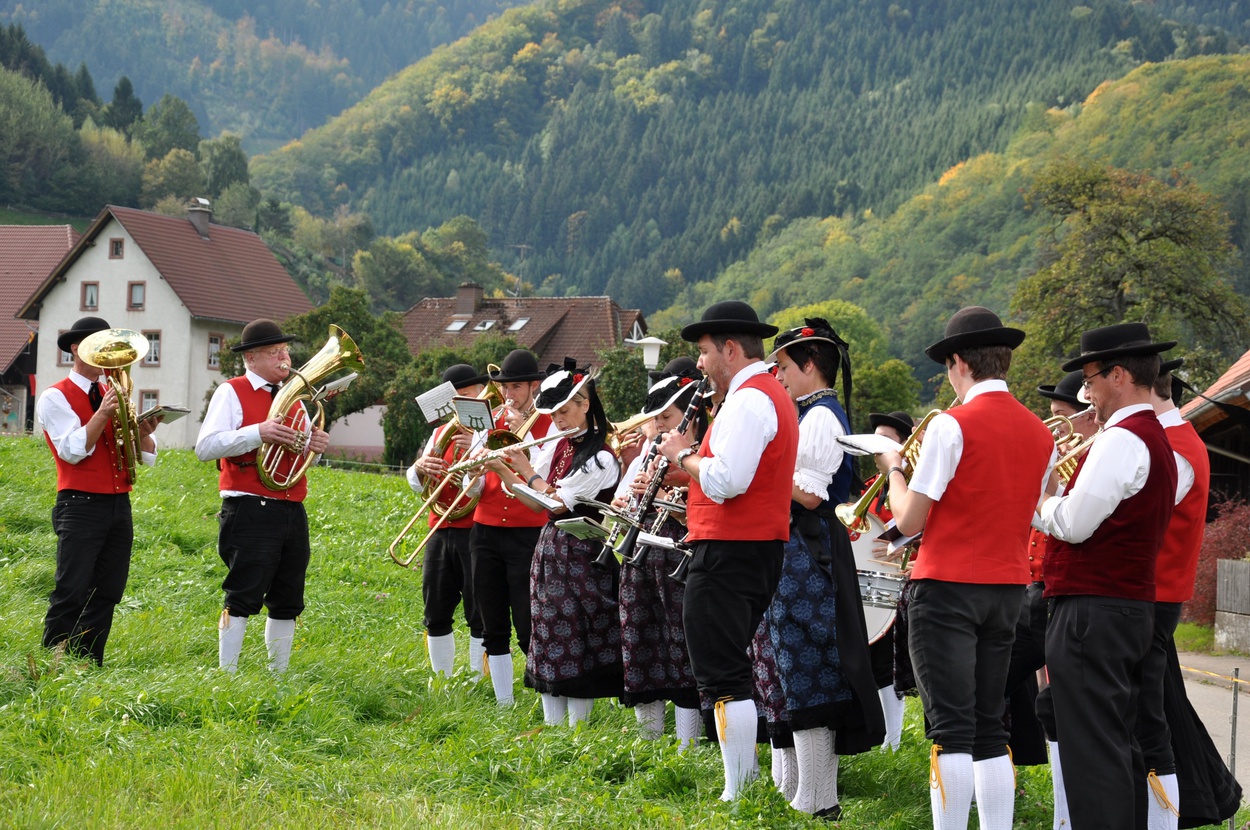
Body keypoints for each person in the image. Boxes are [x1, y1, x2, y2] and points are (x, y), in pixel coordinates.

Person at [874, 306, 1054, 830]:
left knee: (951, 731)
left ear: (959, 363)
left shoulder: (951, 426)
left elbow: (910, 518)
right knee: (988, 727)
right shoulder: (1042, 434)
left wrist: (894, 470)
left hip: (947, 588)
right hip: (1007, 590)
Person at [1034, 322, 1178, 830]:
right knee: (1117, 745)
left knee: (1093, 755)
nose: (1087, 393)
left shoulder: (1121, 439)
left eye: (1090, 380)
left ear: (1118, 375)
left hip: (1092, 611)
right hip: (1127, 608)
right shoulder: (1154, 437)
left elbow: (1073, 525)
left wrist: (1040, 499)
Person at [658, 300, 799, 802]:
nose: (700, 362)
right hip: (749, 546)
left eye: (703, 351)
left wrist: (682, 455)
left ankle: (738, 790)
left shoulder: (748, 400)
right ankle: (740, 784)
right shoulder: (763, 394)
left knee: (721, 672)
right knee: (725, 667)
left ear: (731, 349)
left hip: (731, 548)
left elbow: (727, 481)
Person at [766, 319, 885, 818]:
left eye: (784, 366)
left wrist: (760, 469)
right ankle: (801, 791)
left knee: (810, 666)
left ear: (810, 364)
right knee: (790, 665)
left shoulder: (820, 417)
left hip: (810, 548)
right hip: (799, 546)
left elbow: (810, 494)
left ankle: (818, 799)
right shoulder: (809, 413)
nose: (779, 376)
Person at [487, 359, 621, 725]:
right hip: (550, 551)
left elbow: (560, 501)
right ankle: (553, 730)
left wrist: (525, 469)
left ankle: (577, 733)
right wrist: (502, 469)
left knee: (577, 637)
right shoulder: (560, 446)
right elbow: (536, 502)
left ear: (585, 405)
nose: (558, 421)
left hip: (583, 555)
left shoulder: (601, 457)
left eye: (564, 412)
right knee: (547, 637)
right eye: (554, 414)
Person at [195, 318, 330, 673]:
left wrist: (314, 447)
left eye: (285, 350)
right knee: (242, 593)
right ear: (251, 357)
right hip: (249, 506)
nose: (285, 358)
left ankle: (278, 674)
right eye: (274, 352)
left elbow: (299, 456)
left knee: (288, 596)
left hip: (291, 507)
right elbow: (205, 447)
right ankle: (227, 673)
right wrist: (258, 432)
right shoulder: (231, 391)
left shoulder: (294, 398)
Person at [37, 316, 160, 665]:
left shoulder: (113, 393)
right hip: (79, 503)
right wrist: (103, 414)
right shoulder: (55, 396)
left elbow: (146, 457)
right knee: (71, 588)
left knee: (108, 590)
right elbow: (72, 450)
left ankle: (88, 661)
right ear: (76, 349)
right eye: (98, 348)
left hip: (119, 502)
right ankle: (51, 662)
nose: (107, 356)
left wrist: (143, 432)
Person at [613, 369, 705, 749]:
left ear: (690, 417)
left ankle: (687, 745)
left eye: (667, 417)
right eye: (657, 418)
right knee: (640, 640)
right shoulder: (650, 453)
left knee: (680, 646)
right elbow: (625, 500)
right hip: (641, 552)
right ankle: (648, 741)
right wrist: (629, 500)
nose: (659, 425)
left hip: (678, 553)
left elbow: (703, 510)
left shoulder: (703, 454)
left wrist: (667, 495)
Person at [467, 349, 556, 705]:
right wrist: (473, 472)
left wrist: (521, 432)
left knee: (527, 619)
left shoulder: (550, 425)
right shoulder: (491, 424)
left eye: (516, 387)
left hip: (527, 530)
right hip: (485, 529)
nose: (508, 394)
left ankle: (544, 697)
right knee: (491, 619)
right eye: (505, 387)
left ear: (534, 386)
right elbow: (473, 488)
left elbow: (546, 481)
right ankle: (504, 703)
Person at [405, 363, 490, 678]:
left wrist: (475, 451)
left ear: (481, 396)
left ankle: (477, 679)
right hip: (440, 528)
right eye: (457, 399)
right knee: (436, 606)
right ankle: (442, 679)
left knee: (478, 609)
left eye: (469, 396)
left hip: (476, 529)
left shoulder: (492, 434)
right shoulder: (439, 433)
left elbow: (491, 485)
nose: (463, 405)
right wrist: (420, 468)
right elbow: (418, 484)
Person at [863, 410, 916, 753]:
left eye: (885, 440)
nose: (877, 446)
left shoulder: (915, 482)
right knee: (872, 657)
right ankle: (879, 733)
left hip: (905, 577)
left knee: (888, 661)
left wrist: (902, 546)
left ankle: (893, 740)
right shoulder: (870, 486)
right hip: (873, 577)